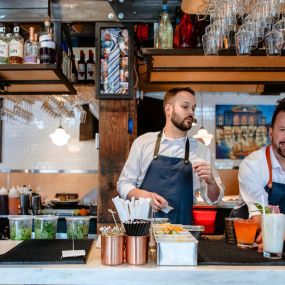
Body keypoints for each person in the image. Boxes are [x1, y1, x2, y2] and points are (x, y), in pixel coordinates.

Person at [117, 87, 224, 225]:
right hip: (143, 231)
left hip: (182, 233)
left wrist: (212, 183)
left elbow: (213, 199)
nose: (191, 112)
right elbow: (123, 184)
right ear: (168, 109)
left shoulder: (201, 151)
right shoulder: (143, 143)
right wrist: (144, 196)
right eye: (185, 106)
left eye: (193, 108)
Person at [238, 98, 285, 227]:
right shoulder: (252, 165)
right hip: (253, 241)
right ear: (271, 133)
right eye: (283, 130)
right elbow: (259, 219)